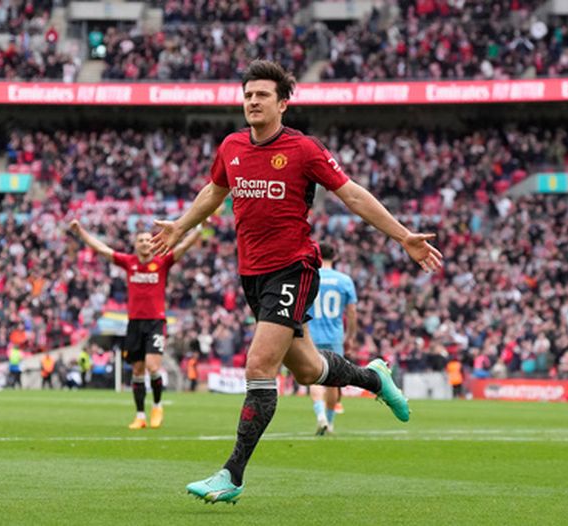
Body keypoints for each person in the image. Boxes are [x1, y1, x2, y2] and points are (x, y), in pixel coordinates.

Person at [151, 60, 442, 503]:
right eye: (247, 94)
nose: (252, 101)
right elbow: (214, 191)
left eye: (262, 95)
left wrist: (403, 236)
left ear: (283, 103)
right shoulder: (231, 146)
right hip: (252, 274)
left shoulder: (304, 149)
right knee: (308, 369)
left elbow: (352, 194)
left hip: (294, 267)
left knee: (259, 367)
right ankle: (375, 379)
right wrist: (180, 226)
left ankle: (232, 475)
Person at [69, 219, 204, 429]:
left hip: (156, 322)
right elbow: (101, 248)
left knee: (152, 366)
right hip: (134, 323)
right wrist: (80, 232)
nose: (145, 243)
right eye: (141, 240)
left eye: (148, 240)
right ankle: (140, 416)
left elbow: (184, 246)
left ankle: (157, 406)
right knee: (137, 371)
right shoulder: (129, 262)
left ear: (153, 244)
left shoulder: (162, 263)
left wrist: (200, 227)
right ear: (135, 244)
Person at [305, 243, 357, 436]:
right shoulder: (344, 281)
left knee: (315, 378)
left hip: (311, 334)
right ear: (334, 256)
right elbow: (352, 313)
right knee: (334, 380)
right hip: (335, 336)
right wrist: (350, 336)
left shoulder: (310, 277)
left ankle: (320, 416)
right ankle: (330, 421)